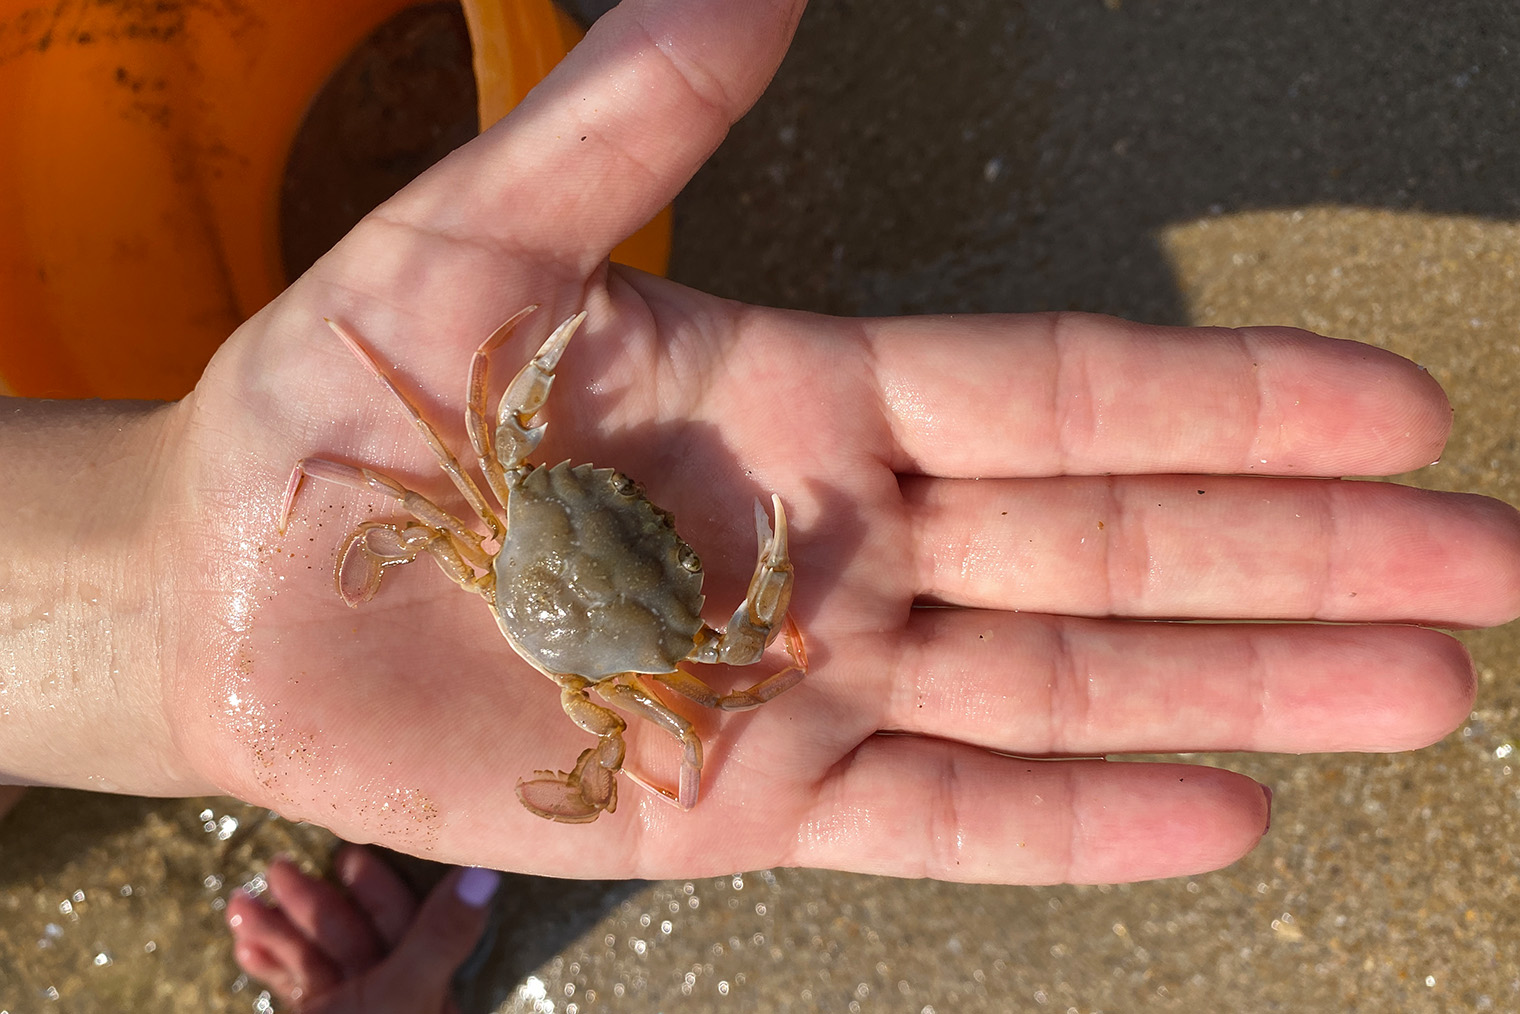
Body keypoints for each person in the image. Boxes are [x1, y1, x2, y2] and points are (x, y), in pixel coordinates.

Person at [2, 0, 1515, 1007]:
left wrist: (156, 585)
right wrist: (162, 587)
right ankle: (444, 882)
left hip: (486, 577)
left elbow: (477, 455)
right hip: (542, 604)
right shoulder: (644, 652)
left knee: (460, 456)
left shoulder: (505, 525)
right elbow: (663, 700)